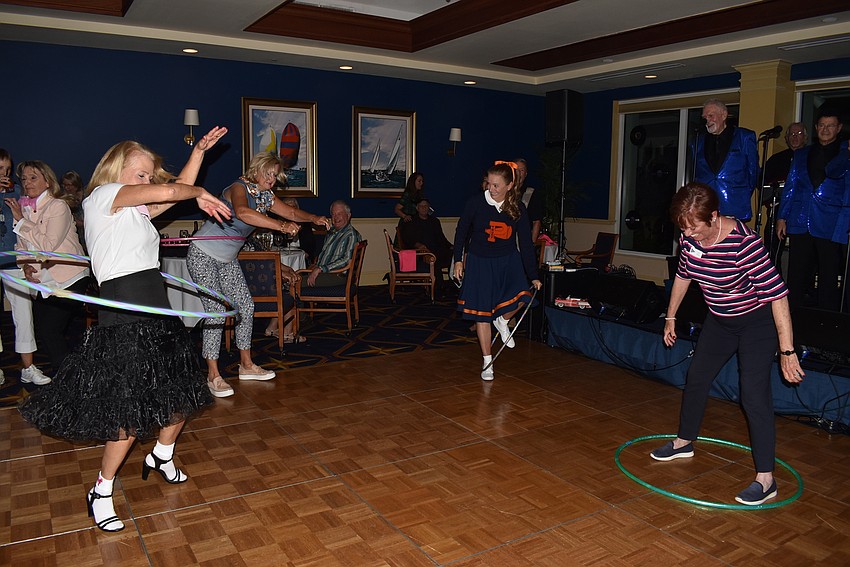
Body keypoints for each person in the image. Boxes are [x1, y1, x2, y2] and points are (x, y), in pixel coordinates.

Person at [19, 126, 231, 532]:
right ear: (117, 170)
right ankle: (101, 488)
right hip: (124, 315)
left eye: (150, 176)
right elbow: (175, 193)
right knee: (129, 411)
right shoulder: (103, 198)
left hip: (157, 309)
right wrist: (199, 194)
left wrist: (200, 154)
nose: (148, 181)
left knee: (180, 388)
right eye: (141, 174)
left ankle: (163, 455)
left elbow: (173, 189)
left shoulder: (134, 209)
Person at [652, 182, 804, 506]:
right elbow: (683, 275)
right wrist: (670, 317)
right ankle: (684, 442)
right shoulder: (690, 237)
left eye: (694, 228)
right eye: (684, 229)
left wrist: (787, 351)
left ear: (714, 216)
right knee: (696, 378)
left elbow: (777, 296)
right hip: (720, 321)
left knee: (752, 393)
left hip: (756, 324)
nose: (689, 236)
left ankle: (766, 479)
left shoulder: (744, 244)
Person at [187, 151, 330, 397]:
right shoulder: (237, 187)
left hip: (227, 259)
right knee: (217, 312)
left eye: (275, 176)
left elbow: (292, 213)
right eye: (269, 174)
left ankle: (246, 365)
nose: (272, 180)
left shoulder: (264, 196)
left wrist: (314, 218)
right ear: (257, 169)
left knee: (245, 305)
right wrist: (280, 226)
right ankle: (213, 375)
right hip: (203, 255)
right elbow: (242, 212)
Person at [453, 161, 541, 381]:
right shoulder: (475, 203)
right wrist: (458, 260)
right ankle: (487, 361)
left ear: (510, 185)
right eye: (489, 184)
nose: (490, 189)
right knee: (482, 314)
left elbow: (526, 245)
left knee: (524, 296)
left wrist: (534, 275)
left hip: (508, 260)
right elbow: (461, 231)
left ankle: (502, 320)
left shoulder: (518, 208)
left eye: (496, 185)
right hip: (480, 262)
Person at [8, 160, 90, 372]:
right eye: (24, 179)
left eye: (33, 177)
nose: (27, 183)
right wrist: (25, 266)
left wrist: (20, 220)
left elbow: (47, 246)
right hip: (45, 281)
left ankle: (70, 381)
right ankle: (71, 378)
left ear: (47, 181)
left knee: (50, 329)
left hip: (70, 278)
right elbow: (22, 246)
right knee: (47, 332)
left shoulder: (58, 206)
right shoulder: (25, 208)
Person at [777, 108, 849, 311]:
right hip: (800, 219)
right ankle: (792, 317)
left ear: (839, 128)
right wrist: (782, 217)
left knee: (828, 274)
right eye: (822, 125)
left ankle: (825, 322)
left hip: (831, 222)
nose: (826, 129)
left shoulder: (845, 153)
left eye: (831, 125)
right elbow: (791, 186)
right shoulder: (801, 154)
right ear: (816, 128)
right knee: (796, 273)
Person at [0, 149, 50, 386]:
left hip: (12, 261)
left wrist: (28, 261)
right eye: (0, 169)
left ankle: (28, 367)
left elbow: (26, 228)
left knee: (23, 313)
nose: (5, 174)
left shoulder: (17, 194)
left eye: (8, 170)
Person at [692, 99, 759, 221]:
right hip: (706, 206)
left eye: (711, 115)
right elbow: (697, 174)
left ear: (724, 115)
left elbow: (753, 172)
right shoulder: (698, 141)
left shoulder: (744, 137)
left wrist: (740, 194)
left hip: (735, 205)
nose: (707, 120)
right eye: (705, 117)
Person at [761, 123, 808, 269]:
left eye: (799, 133)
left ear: (805, 137)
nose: (795, 137)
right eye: (792, 134)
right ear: (786, 138)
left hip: (802, 213)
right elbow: (762, 182)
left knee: (803, 254)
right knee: (772, 250)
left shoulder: (811, 157)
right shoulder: (776, 159)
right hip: (777, 209)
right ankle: (774, 285)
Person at [305, 200, 362, 288]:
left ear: (348, 215)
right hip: (326, 272)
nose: (335, 217)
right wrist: (316, 266)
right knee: (295, 276)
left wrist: (320, 269)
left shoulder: (351, 235)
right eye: (333, 214)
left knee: (296, 283)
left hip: (338, 276)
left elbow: (347, 260)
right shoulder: (332, 232)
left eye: (339, 214)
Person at [399, 197, 453, 276]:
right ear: (417, 208)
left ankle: (453, 284)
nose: (424, 208)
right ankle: (437, 286)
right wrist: (418, 245)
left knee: (453, 255)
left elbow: (441, 238)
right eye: (421, 206)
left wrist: (450, 246)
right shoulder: (411, 222)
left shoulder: (434, 221)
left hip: (437, 249)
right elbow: (408, 239)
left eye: (426, 206)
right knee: (433, 259)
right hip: (422, 252)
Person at [515, 158, 545, 243]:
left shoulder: (531, 194)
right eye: (516, 170)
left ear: (525, 174)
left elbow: (536, 221)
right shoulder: (502, 191)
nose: (518, 173)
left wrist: (531, 245)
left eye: (522, 170)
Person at [60, 170, 86, 250]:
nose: (66, 187)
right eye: (64, 185)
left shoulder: (87, 198)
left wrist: (79, 222)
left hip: (86, 234)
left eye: (69, 185)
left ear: (76, 185)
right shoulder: (63, 199)